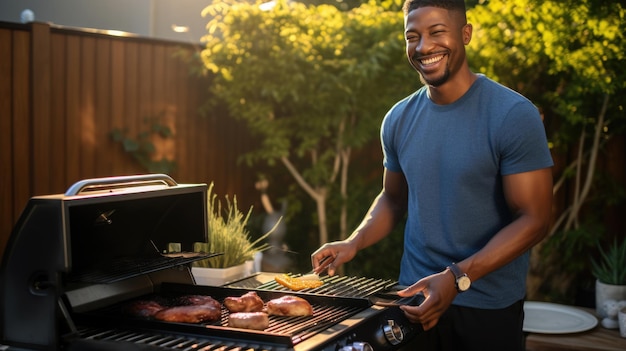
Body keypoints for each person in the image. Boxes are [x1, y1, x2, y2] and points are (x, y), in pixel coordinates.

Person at [310, 0, 554, 350]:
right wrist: (354, 242)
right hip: (413, 302)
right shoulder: (398, 119)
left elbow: (535, 219)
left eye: (437, 32)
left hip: (487, 310)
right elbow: (393, 199)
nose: (424, 47)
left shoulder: (513, 115)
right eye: (413, 36)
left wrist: (456, 277)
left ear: (465, 34)